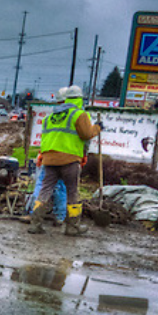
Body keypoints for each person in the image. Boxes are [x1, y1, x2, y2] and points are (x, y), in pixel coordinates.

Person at [30, 85, 101, 235]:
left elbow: (45, 139)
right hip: (69, 160)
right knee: (72, 192)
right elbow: (86, 135)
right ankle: (72, 227)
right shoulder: (79, 115)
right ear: (80, 99)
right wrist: (98, 128)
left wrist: (44, 156)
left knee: (45, 190)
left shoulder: (50, 117)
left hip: (49, 160)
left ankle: (35, 224)